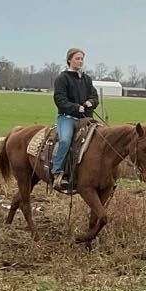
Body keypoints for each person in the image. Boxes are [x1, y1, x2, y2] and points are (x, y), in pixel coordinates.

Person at [51, 48, 99, 190]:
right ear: (69, 60)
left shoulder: (86, 79)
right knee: (65, 140)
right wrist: (76, 107)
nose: (80, 61)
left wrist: (91, 102)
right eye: (77, 58)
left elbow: (94, 97)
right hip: (67, 118)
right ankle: (57, 171)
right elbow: (60, 100)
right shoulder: (62, 78)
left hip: (86, 119)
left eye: (82, 59)